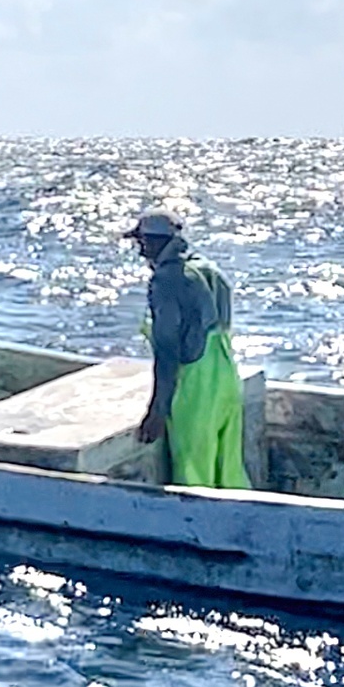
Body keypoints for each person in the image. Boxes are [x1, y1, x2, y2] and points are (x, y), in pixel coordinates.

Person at [126, 208, 250, 489]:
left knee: (193, 473)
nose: (141, 253)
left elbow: (167, 353)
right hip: (226, 379)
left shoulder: (166, 281)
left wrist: (158, 410)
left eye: (143, 244)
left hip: (196, 389)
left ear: (157, 242)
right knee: (229, 468)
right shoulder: (208, 268)